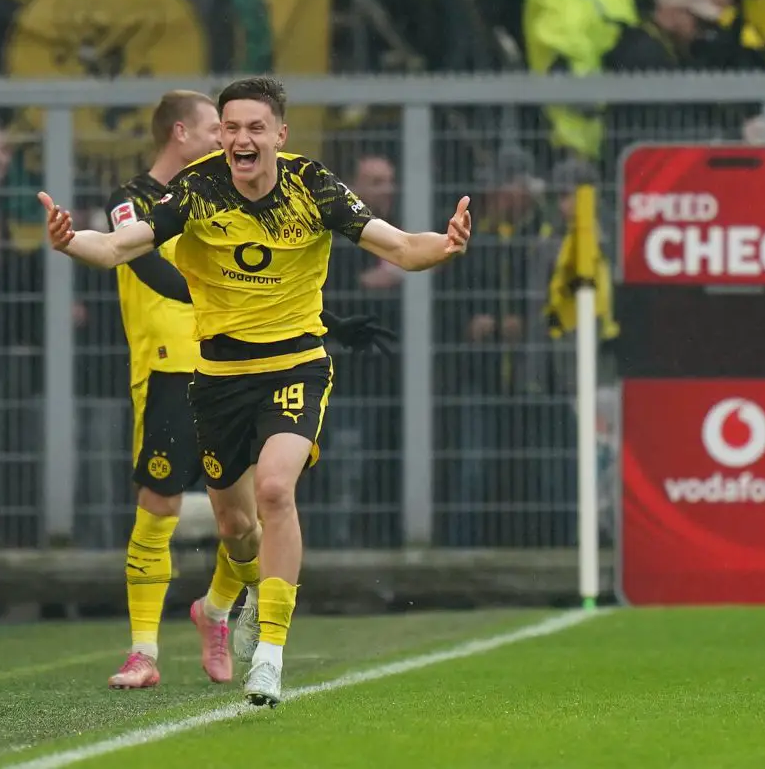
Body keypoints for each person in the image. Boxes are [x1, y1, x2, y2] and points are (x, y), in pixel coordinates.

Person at [38, 76, 471, 706]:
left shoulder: (312, 185)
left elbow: (402, 247)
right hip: (216, 377)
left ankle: (268, 654)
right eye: (232, 127)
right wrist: (69, 240)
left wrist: (446, 244)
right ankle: (221, 607)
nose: (242, 139)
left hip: (295, 366)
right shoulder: (197, 188)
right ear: (220, 134)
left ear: (279, 134)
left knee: (274, 490)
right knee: (237, 527)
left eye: (255, 128)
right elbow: (117, 247)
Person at [104, 90, 248, 689]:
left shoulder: (219, 198)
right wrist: (216, 293)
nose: (225, 138)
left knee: (244, 521)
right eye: (216, 127)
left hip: (232, 365)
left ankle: (214, 611)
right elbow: (146, 264)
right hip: (168, 368)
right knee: (158, 506)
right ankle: (143, 652)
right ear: (181, 133)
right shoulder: (130, 202)